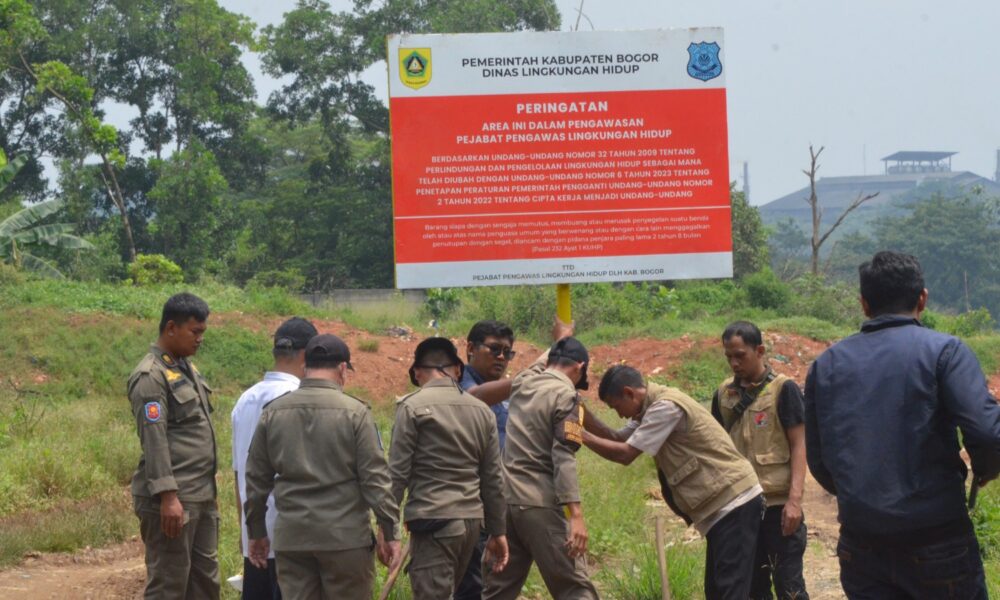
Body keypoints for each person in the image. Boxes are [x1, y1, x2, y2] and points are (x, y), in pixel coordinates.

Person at [805, 250, 1000, 599]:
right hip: (937, 540)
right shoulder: (946, 352)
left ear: (864, 304)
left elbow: (819, 459)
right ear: (922, 298)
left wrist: (862, 496)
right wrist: (985, 470)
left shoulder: (827, 364)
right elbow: (987, 431)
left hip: (862, 544)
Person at [584, 365, 764, 600]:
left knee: (730, 590)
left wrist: (577, 434)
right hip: (723, 507)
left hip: (734, 502)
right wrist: (582, 415)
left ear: (629, 393)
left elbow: (624, 454)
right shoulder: (649, 409)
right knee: (719, 590)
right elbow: (617, 437)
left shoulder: (665, 407)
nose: (620, 415)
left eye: (617, 407)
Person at [244, 334, 401, 600]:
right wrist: (390, 530)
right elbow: (375, 480)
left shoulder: (273, 412)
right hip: (345, 540)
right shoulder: (356, 412)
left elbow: (256, 479)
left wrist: (256, 531)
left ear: (305, 367)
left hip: (293, 539)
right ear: (342, 370)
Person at [455, 317, 573, 600]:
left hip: (502, 507)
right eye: (494, 349)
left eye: (507, 353)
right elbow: (477, 398)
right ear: (470, 348)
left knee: (494, 587)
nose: (501, 358)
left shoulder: (506, 392)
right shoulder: (458, 384)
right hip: (470, 507)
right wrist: (555, 350)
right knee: (472, 587)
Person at [388, 337, 509, 599]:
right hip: (471, 525)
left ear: (418, 372)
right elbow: (493, 479)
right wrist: (498, 531)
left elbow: (397, 475)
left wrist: (387, 530)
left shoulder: (411, 407)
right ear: (457, 369)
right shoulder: (482, 411)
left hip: (434, 522)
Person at [483, 336, 599, 600]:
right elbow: (563, 455)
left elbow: (539, 365)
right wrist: (576, 515)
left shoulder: (523, 382)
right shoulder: (567, 395)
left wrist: (561, 336)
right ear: (579, 367)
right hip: (539, 505)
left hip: (505, 507)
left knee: (497, 591)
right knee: (575, 588)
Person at [128, 292, 219, 600]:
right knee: (169, 585)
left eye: (202, 332)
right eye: (195, 332)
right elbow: (154, 440)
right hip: (173, 500)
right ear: (170, 328)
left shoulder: (186, 369)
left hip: (200, 495)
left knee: (205, 583)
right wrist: (168, 496)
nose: (200, 339)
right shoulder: (150, 376)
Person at [711, 321, 809, 600]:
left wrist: (795, 501)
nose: (734, 363)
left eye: (740, 355)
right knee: (753, 588)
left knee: (790, 587)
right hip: (740, 508)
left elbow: (799, 444)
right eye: (729, 356)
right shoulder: (722, 394)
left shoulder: (783, 389)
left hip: (777, 507)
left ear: (760, 350)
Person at [231, 317, 318, 600]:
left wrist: (245, 530)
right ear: (307, 356)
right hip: (291, 537)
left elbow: (238, 474)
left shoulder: (245, 399)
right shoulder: (299, 400)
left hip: (254, 537)